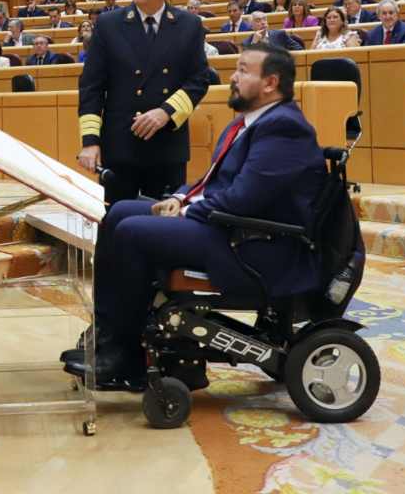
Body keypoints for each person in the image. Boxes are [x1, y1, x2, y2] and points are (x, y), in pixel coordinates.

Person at [62, 45, 325, 388]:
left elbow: (244, 199)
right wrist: (177, 197)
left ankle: (127, 358)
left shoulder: (284, 128)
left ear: (270, 83)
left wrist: (186, 211)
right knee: (120, 211)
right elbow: (215, 183)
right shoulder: (253, 121)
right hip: (231, 227)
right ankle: (111, 333)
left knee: (131, 232)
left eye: (244, 70)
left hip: (254, 245)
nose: (233, 76)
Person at [77, 0, 211, 206]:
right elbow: (91, 87)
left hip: (167, 148)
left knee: (164, 233)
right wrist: (90, 142)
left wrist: (166, 112)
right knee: (116, 228)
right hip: (120, 148)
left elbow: (199, 79)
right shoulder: (108, 24)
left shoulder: (188, 25)